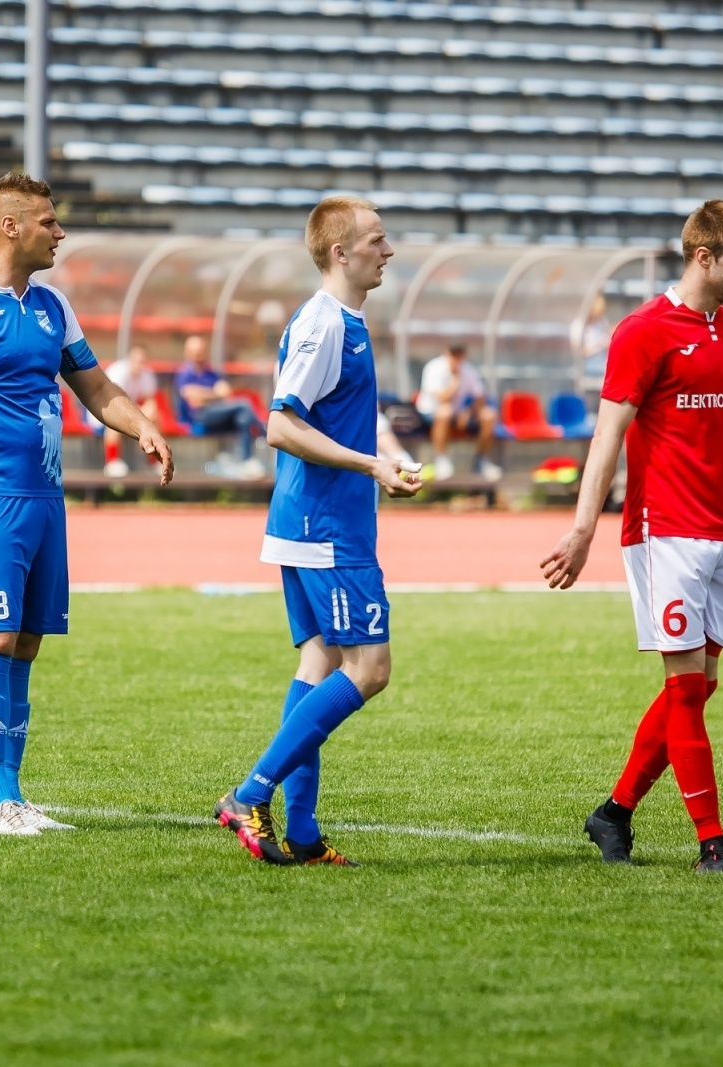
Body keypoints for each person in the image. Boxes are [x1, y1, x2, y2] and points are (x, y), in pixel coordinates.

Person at [0, 173, 174, 836]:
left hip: (45, 497)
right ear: (10, 226)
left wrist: (143, 426)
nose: (60, 232)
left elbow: (97, 388)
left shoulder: (51, 307)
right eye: (48, 221)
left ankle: (15, 794)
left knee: (30, 643)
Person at [539, 200, 723, 872]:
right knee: (686, 686)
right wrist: (581, 531)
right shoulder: (643, 332)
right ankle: (711, 840)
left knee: (701, 684)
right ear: (704, 257)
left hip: (722, 526)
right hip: (664, 528)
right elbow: (607, 437)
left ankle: (615, 812)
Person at [213, 195, 422, 866]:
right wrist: (369, 464)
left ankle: (300, 831)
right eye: (377, 240)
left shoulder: (347, 321)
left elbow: (333, 416)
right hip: (326, 524)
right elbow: (281, 423)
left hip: (318, 519)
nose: (387, 251)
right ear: (341, 252)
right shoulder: (326, 323)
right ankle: (250, 792)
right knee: (372, 668)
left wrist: (383, 455)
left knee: (320, 664)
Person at [174, 334, 266, 478]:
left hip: (215, 412)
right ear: (188, 353)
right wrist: (214, 394)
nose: (199, 355)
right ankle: (263, 432)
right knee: (243, 404)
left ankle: (246, 462)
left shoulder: (210, 372)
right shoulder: (185, 372)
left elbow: (226, 392)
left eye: (201, 351)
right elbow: (193, 399)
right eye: (195, 352)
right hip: (199, 416)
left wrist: (205, 395)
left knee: (243, 418)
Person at [415, 343, 501, 481]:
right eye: (453, 354)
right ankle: (441, 460)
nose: (456, 359)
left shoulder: (469, 370)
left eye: (459, 354)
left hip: (457, 413)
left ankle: (481, 460)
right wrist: (455, 380)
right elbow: (442, 398)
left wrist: (467, 412)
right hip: (430, 413)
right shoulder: (434, 368)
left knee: (489, 415)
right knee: (445, 412)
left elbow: (480, 397)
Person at [101, 344, 159, 477]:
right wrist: (141, 411)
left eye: (142, 360)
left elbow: (150, 400)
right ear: (129, 359)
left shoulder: (147, 374)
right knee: (115, 421)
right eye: (137, 360)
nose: (140, 364)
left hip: (130, 412)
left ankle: (155, 461)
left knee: (155, 418)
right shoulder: (118, 372)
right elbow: (114, 404)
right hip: (102, 410)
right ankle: (112, 462)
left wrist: (149, 411)